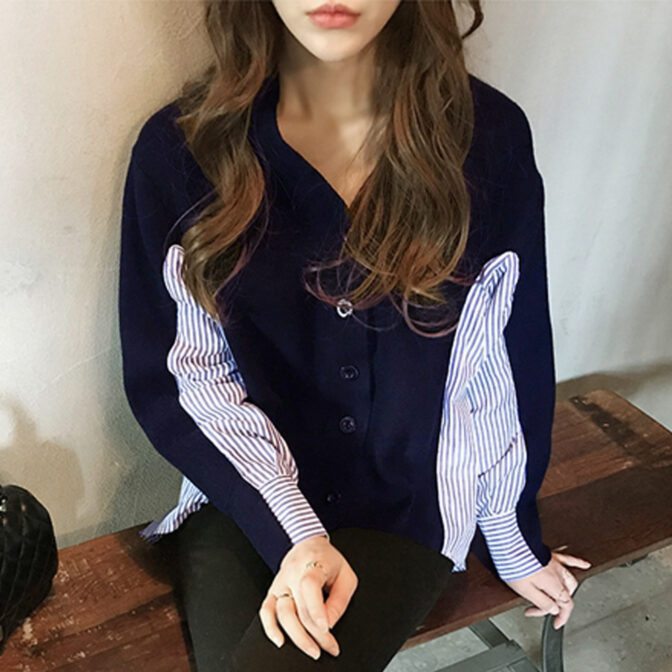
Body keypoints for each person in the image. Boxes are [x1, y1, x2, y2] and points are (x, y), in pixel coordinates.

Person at [118, 1, 591, 670]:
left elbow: (501, 360)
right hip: (244, 494)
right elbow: (187, 376)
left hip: (407, 506)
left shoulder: (489, 140)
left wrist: (512, 538)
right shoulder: (181, 153)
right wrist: (295, 533)